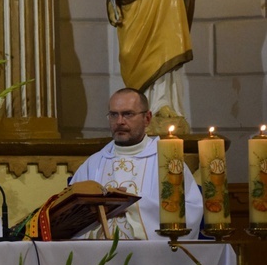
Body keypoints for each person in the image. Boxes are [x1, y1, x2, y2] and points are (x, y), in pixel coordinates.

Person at [70, 88, 202, 240]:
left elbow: (192, 209)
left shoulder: (167, 161)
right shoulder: (94, 163)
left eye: (128, 114)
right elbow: (72, 215)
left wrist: (128, 204)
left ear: (147, 118)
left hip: (150, 257)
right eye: (114, 114)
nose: (119, 121)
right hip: (100, 256)